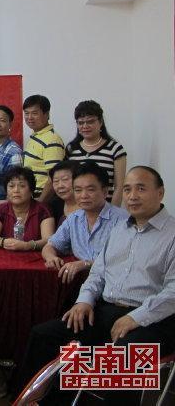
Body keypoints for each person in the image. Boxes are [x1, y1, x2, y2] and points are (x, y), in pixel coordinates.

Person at [18, 166, 175, 406]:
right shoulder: (120, 230)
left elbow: (173, 292)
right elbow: (98, 273)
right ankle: (40, 401)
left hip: (154, 319)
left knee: (123, 354)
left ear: (160, 192)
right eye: (127, 189)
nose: (132, 196)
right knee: (45, 335)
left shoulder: (171, 235)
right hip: (107, 310)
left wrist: (135, 318)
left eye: (141, 189)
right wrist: (84, 301)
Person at [41, 162, 128, 284]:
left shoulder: (122, 220)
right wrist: (51, 258)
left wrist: (86, 264)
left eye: (90, 190)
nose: (83, 195)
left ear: (105, 191)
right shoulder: (73, 219)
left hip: (114, 285)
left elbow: (122, 260)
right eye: (78, 190)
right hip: (82, 285)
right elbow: (50, 246)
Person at [65, 100, 127, 206]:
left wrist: (111, 212)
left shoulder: (115, 149)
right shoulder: (71, 149)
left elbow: (119, 187)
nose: (85, 126)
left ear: (101, 122)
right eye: (80, 123)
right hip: (76, 210)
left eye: (90, 122)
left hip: (105, 209)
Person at [0, 166, 54, 252]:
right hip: (5, 256)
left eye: (22, 186)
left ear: (31, 190)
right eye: (11, 186)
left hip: (35, 256)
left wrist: (28, 245)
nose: (16, 190)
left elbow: (48, 240)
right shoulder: (1, 210)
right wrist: (2, 242)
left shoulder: (43, 210)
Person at [21, 95, 65, 201]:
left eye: (34, 113)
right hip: (32, 197)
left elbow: (54, 177)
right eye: (26, 113)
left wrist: (40, 203)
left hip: (44, 199)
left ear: (46, 114)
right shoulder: (36, 136)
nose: (29, 117)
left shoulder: (52, 140)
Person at [0, 105, 23, 202]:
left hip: (4, 205)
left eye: (2, 120)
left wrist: (6, 203)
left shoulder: (14, 152)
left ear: (10, 124)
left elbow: (16, 184)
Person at [48, 160, 80, 227]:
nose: (60, 186)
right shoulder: (54, 205)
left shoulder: (89, 206)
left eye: (65, 179)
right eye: (56, 181)